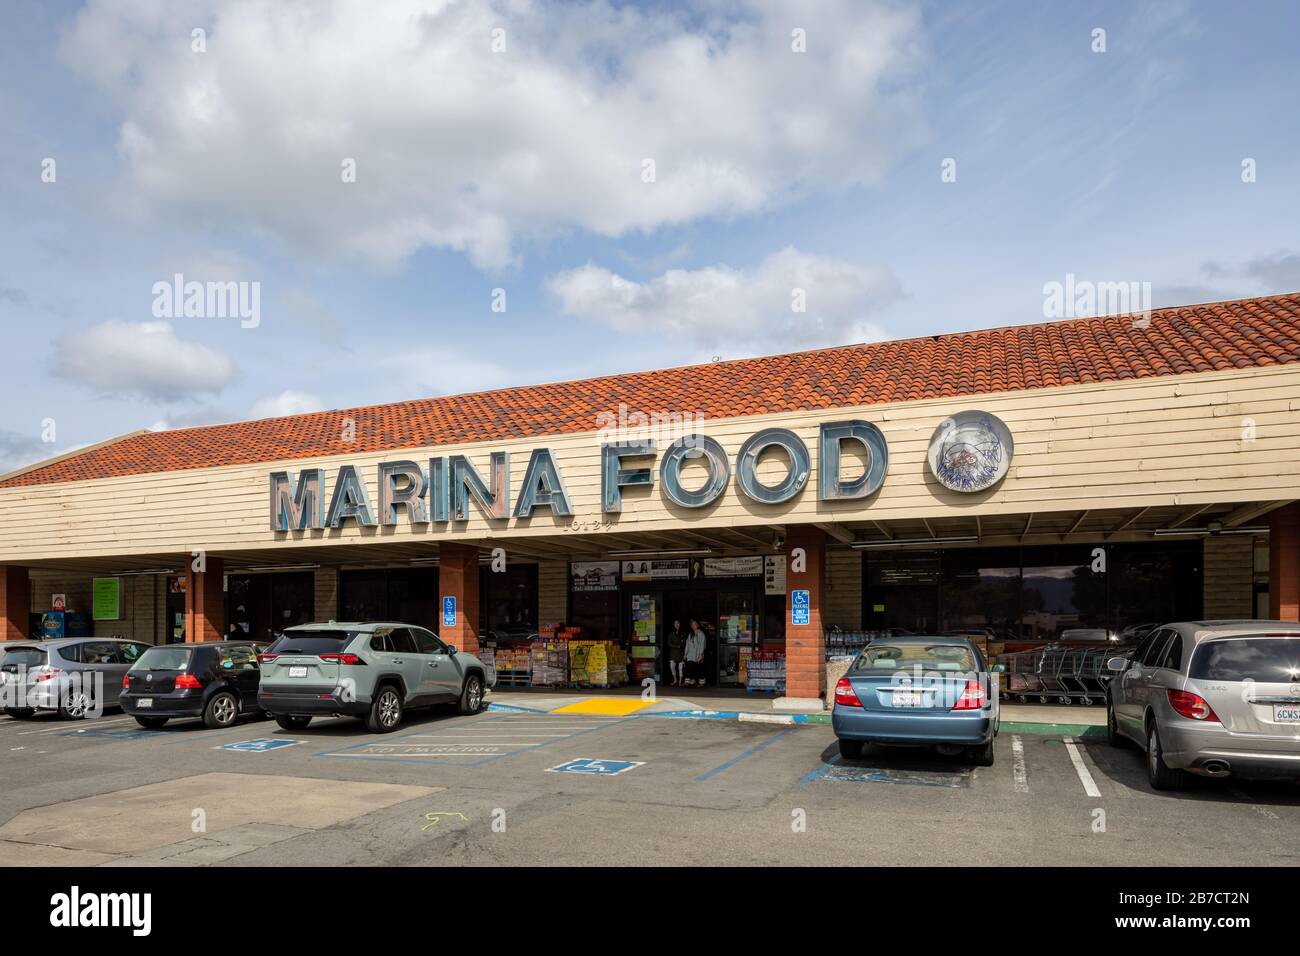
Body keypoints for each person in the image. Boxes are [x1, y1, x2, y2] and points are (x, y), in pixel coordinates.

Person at [684, 619, 707, 687]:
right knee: (689, 668)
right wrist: (685, 654)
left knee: (699, 669)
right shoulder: (690, 634)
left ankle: (701, 683)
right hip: (690, 655)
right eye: (692, 624)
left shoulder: (701, 634)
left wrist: (701, 654)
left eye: (695, 624)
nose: (693, 626)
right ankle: (688, 682)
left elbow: (702, 645)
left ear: (698, 625)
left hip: (698, 654)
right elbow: (687, 644)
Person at [666, 619, 686, 686]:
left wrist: (681, 648)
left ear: (680, 624)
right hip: (673, 653)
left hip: (681, 653)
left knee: (681, 668)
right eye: (675, 623)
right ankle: (675, 680)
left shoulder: (683, 633)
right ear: (673, 625)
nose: (677, 625)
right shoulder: (671, 634)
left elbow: (685, 644)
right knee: (672, 666)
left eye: (678, 623)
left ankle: (680, 682)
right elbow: (669, 643)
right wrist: (677, 646)